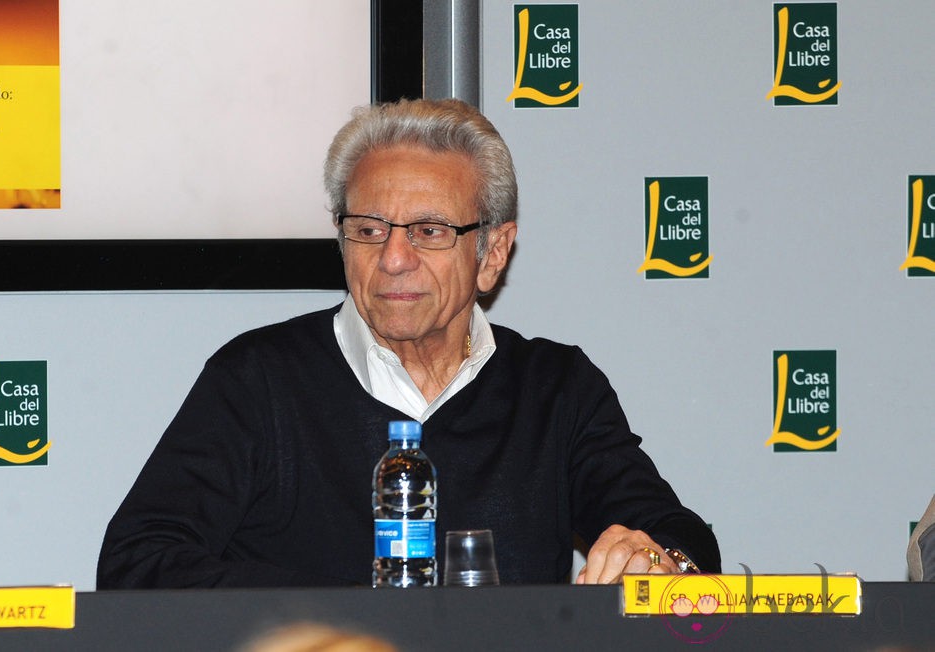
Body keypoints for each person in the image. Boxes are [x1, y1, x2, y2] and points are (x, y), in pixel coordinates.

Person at [97, 98, 719, 588]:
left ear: (492, 253)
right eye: (368, 229)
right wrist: (362, 614)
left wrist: (661, 562)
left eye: (428, 230)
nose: (393, 259)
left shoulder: (556, 389)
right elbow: (138, 563)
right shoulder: (258, 378)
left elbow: (677, 537)